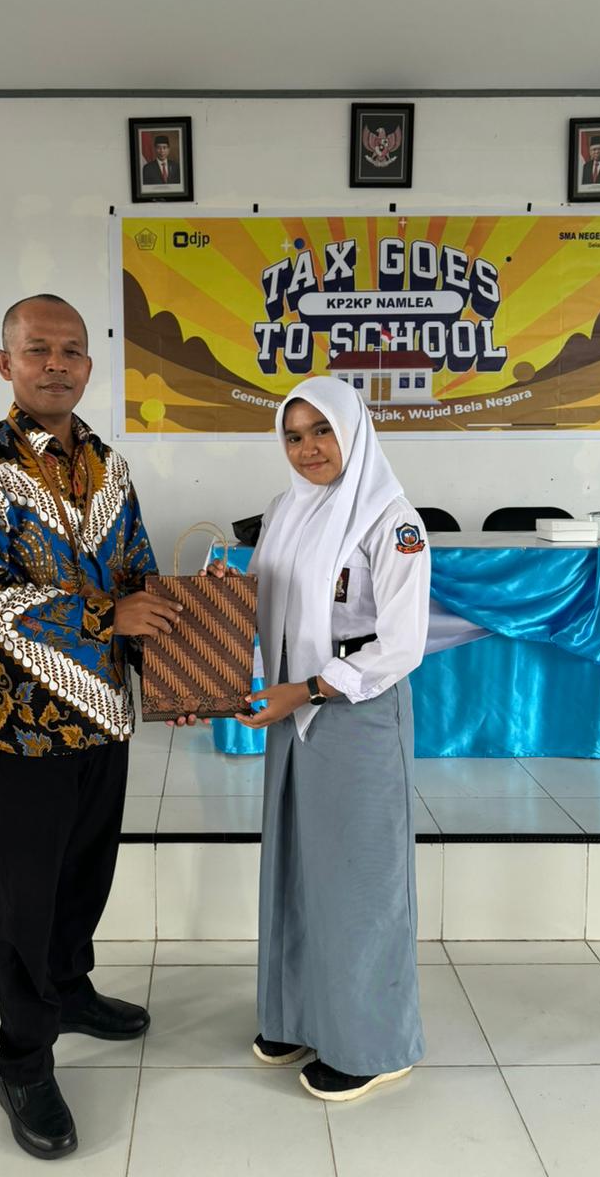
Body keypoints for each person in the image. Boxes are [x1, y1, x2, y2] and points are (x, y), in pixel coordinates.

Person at [0, 293, 187, 1160]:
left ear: (89, 364)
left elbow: (139, 576)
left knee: (85, 873)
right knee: (26, 897)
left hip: (103, 715)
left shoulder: (110, 465)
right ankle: (23, 1062)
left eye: (71, 350)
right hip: (24, 724)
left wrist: (176, 678)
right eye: (37, 349)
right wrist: (108, 618)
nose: (56, 363)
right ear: (5, 363)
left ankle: (71, 991)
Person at [209, 375, 430, 1102]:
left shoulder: (391, 522)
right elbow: (259, 604)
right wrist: (209, 663)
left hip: (352, 712)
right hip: (290, 714)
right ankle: (299, 1015)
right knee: (299, 868)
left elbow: (401, 644)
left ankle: (374, 1043)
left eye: (322, 431)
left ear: (354, 431)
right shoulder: (287, 509)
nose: (307, 449)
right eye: (294, 435)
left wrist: (305, 690)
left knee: (360, 879)